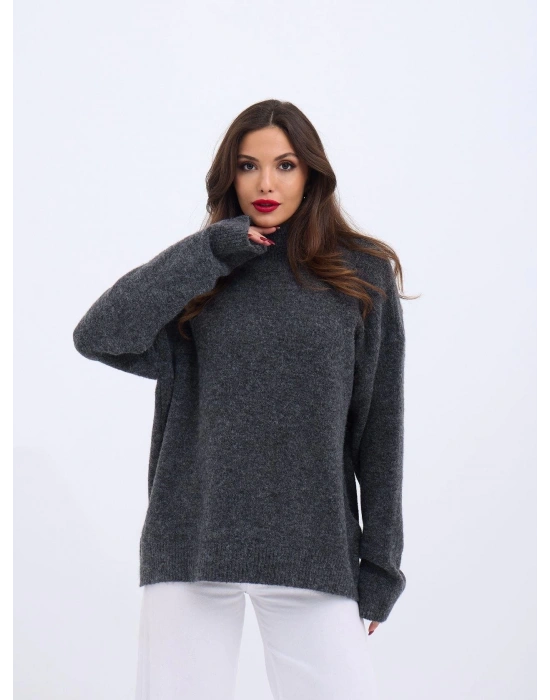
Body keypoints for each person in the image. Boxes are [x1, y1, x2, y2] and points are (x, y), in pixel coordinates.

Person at [73, 99, 412, 700]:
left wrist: (381, 566)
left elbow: (379, 430)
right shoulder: (204, 271)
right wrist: (208, 250)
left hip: (315, 545)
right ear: (229, 175)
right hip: (192, 540)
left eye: (285, 165)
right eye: (248, 165)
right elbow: (98, 335)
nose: (265, 183)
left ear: (311, 173)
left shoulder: (362, 275)